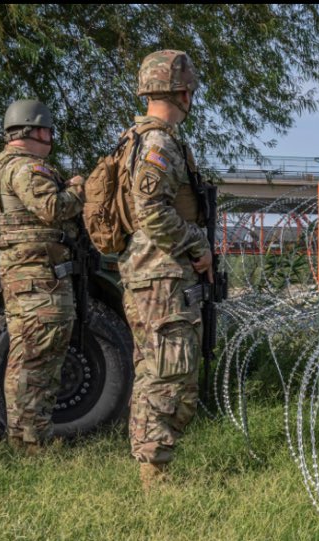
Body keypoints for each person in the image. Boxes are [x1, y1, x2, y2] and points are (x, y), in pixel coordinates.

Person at [118, 50, 212, 489]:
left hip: (149, 275)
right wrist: (198, 244)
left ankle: (149, 465)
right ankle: (154, 475)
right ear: (181, 91)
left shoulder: (136, 139)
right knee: (171, 375)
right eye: (189, 89)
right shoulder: (158, 144)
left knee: (152, 370)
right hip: (163, 276)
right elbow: (150, 211)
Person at [0, 99, 85, 453]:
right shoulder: (28, 169)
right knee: (42, 361)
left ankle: (21, 438)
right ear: (36, 130)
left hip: (21, 277)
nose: (50, 138)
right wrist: (77, 188)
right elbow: (54, 208)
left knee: (24, 358)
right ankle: (35, 442)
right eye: (48, 131)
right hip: (41, 279)